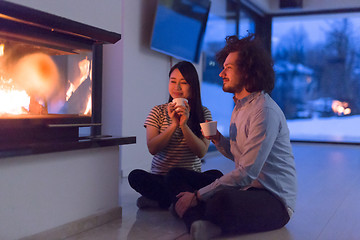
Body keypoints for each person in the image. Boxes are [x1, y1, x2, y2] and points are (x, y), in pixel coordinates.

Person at [165, 34, 297, 239]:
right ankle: (200, 219)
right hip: (246, 189)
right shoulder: (239, 106)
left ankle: (191, 214)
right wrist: (218, 139)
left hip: (274, 201)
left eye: (228, 68)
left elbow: (246, 173)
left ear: (247, 71)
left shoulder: (264, 111)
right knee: (176, 175)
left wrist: (198, 196)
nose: (221, 74)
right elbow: (239, 155)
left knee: (220, 199)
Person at [128, 61, 223, 209]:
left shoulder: (203, 112)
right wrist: (173, 125)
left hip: (188, 177)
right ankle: (185, 199)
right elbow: (152, 148)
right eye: (173, 81)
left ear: (193, 87)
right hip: (162, 177)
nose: (177, 87)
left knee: (217, 175)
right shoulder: (157, 111)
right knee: (135, 176)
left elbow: (202, 152)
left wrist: (184, 125)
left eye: (183, 82)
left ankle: (163, 201)